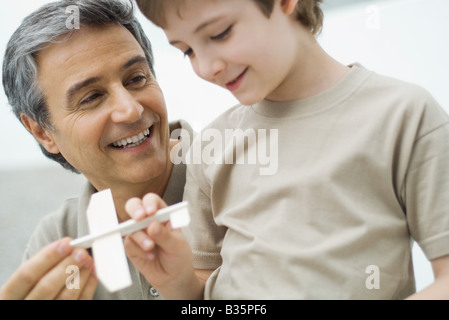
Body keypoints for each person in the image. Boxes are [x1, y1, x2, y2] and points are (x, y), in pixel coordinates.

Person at [125, 0, 449, 299]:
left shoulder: (403, 115)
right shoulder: (212, 146)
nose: (208, 67)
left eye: (219, 33)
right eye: (187, 51)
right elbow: (200, 293)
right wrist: (175, 282)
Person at [0, 0, 193, 300]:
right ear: (42, 132)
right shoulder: (59, 241)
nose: (130, 109)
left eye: (136, 78)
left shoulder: (238, 178)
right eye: (91, 97)